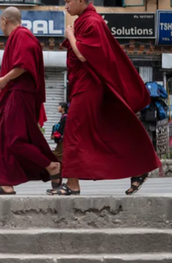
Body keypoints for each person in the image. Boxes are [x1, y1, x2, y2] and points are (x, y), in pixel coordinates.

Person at [48, 0, 160, 195]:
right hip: (83, 86)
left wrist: (71, 35)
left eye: (68, 1)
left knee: (74, 132)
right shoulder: (89, 20)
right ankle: (139, 167)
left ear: (82, 1)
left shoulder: (92, 22)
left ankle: (72, 185)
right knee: (99, 134)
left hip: (88, 87)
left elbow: (83, 54)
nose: (65, 5)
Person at [0, 7, 61, 195]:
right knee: (2, 138)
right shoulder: (20, 37)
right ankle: (6, 183)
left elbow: (24, 64)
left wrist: (4, 79)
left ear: (5, 20)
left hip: (19, 93)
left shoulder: (22, 35)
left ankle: (51, 166)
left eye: (0, 22)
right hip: (15, 94)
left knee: (15, 140)